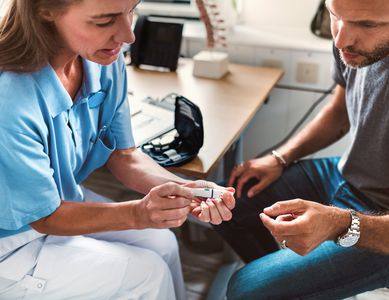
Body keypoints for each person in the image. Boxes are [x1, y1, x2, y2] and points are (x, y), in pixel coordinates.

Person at [0, 0, 235, 299]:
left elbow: (123, 156)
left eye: (131, 10)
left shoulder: (102, 62)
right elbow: (45, 217)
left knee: (162, 243)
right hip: (12, 240)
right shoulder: (9, 101)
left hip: (58, 201)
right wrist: (139, 213)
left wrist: (188, 189)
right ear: (46, 11)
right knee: (147, 274)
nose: (128, 35)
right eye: (104, 21)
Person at [214, 0, 389, 299]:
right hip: (348, 176)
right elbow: (339, 112)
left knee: (246, 288)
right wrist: (280, 157)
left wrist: (341, 223)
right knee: (229, 202)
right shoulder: (352, 42)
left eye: (367, 25)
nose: (340, 39)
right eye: (335, 16)